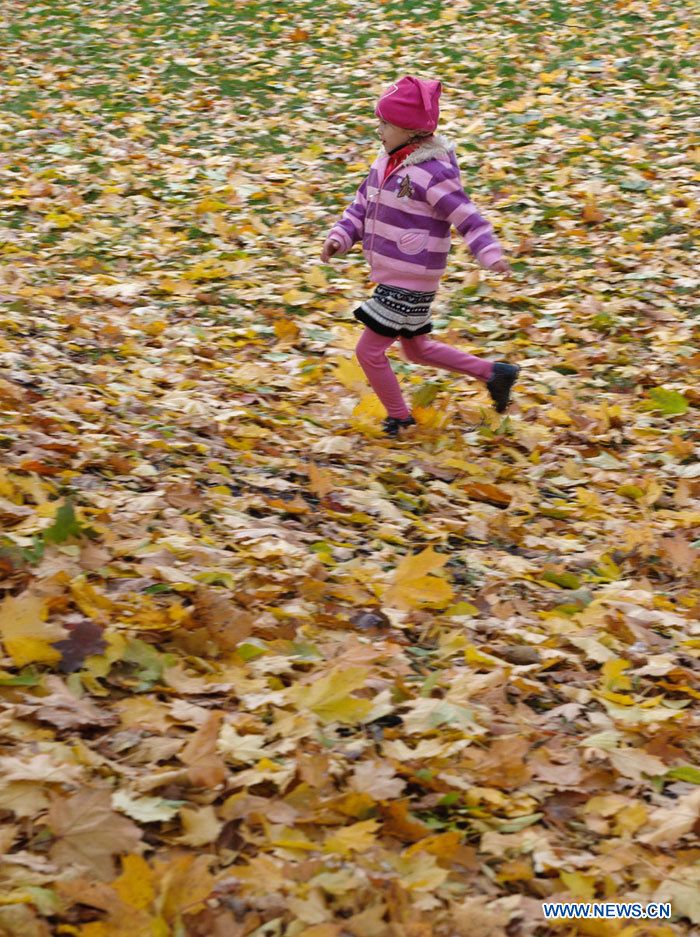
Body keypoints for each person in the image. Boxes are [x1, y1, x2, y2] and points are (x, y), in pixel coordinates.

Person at [321, 75, 520, 437]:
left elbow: (467, 217)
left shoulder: (431, 173)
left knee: (369, 352)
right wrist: (341, 237)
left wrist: (490, 254)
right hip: (393, 273)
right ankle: (495, 373)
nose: (378, 130)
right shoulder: (385, 165)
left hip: (411, 277)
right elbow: (361, 206)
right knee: (417, 350)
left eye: (385, 124)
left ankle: (400, 417)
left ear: (411, 130)